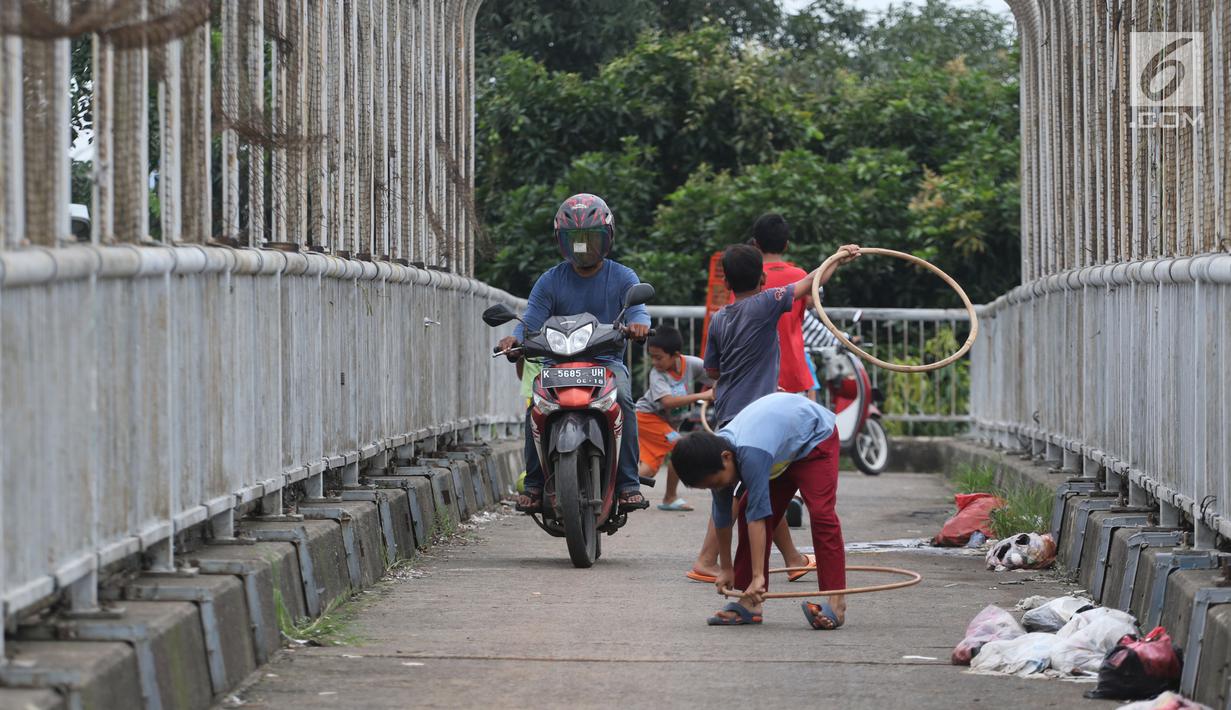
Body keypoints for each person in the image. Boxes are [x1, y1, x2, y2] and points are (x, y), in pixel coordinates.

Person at [684, 242, 860, 582]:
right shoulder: (767, 302)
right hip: (758, 419)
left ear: (727, 284)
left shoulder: (719, 318)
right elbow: (812, 283)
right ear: (763, 278)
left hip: (728, 415)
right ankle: (725, 565)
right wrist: (838, 257)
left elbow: (714, 371)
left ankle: (776, 561)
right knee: (754, 492)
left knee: (757, 489)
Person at [497, 193, 652, 513]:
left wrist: (638, 326)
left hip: (606, 363)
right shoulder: (550, 280)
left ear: (607, 238)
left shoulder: (623, 276)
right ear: (562, 242)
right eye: (574, 240)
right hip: (557, 363)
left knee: (624, 398)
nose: (583, 247)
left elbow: (638, 312)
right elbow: (530, 320)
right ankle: (536, 484)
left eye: (591, 239)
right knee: (535, 408)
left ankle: (627, 482)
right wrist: (513, 340)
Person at [672, 393, 847, 629]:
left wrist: (759, 577)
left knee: (821, 514)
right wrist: (725, 568)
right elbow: (723, 518)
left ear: (726, 458)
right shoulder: (714, 459)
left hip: (815, 438)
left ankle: (836, 601)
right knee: (743, 509)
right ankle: (749, 602)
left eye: (716, 482)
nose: (718, 488)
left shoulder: (750, 455)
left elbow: (759, 518)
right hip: (780, 449)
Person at [633, 326, 713, 511]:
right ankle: (670, 497)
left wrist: (718, 390)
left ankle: (612, 489)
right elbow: (668, 402)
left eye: (658, 357)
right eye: (651, 357)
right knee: (680, 447)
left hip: (665, 424)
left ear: (675, 355)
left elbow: (716, 378)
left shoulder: (692, 364)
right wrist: (704, 395)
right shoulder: (657, 374)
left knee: (649, 470)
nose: (654, 362)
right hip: (646, 417)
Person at [749, 213, 814, 396]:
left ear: (755, 243)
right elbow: (808, 304)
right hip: (792, 369)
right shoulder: (800, 276)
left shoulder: (748, 277)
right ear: (786, 245)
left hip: (757, 371)